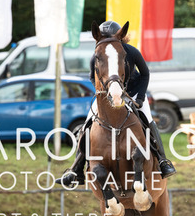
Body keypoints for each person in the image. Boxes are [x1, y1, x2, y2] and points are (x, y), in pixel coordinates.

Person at [56, 20, 176, 187]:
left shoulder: (131, 52)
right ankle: (76, 169)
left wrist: (140, 98)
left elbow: (145, 74)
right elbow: (92, 76)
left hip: (133, 93)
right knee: (87, 124)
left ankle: (162, 161)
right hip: (108, 94)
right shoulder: (98, 54)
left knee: (148, 120)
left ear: (120, 38)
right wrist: (102, 92)